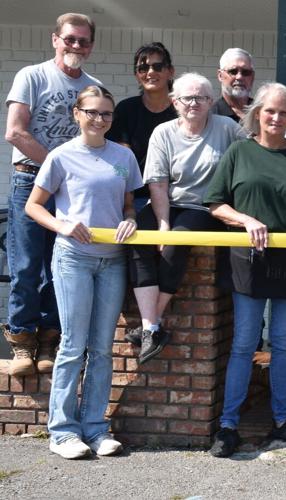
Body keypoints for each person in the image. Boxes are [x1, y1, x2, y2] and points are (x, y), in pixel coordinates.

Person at [205, 82, 286, 458]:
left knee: (284, 345)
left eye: (284, 112)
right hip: (250, 263)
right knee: (245, 344)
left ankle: (282, 420)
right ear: (256, 114)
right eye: (269, 111)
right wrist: (244, 220)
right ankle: (228, 426)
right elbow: (215, 204)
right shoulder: (238, 152)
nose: (276, 118)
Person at [25, 85, 141, 459]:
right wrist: (61, 225)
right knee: (73, 345)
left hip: (112, 260)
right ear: (77, 114)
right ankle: (62, 432)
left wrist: (129, 220)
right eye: (92, 112)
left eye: (106, 113)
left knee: (103, 348)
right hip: (74, 257)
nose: (100, 119)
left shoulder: (123, 157)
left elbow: (128, 204)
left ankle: (95, 428)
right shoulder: (60, 156)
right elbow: (33, 206)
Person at [4, 12, 103, 376]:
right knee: (27, 264)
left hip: (70, 190)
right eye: (70, 39)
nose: (76, 46)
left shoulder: (92, 87)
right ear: (55, 40)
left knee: (58, 266)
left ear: (91, 46)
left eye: (84, 41)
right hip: (30, 180)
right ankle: (22, 341)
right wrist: (56, 168)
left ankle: (49, 339)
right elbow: (15, 133)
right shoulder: (32, 76)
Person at [125, 73, 246, 363]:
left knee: (177, 242)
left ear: (210, 101)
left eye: (202, 97)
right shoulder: (163, 132)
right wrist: (163, 223)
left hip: (205, 207)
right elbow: (158, 184)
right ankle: (151, 327)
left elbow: (252, 153)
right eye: (187, 98)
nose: (194, 103)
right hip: (166, 202)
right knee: (138, 237)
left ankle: (150, 323)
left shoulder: (227, 128)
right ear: (174, 102)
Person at [107, 42, 177, 210]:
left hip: (176, 199)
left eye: (158, 66)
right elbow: (119, 160)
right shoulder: (126, 110)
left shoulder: (183, 109)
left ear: (170, 71)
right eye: (143, 68)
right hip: (135, 198)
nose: (151, 72)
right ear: (137, 75)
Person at [213, 48, 255, 122]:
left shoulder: (263, 112)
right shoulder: (210, 116)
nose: (239, 77)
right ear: (220, 75)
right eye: (233, 71)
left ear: (253, 77)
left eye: (246, 72)